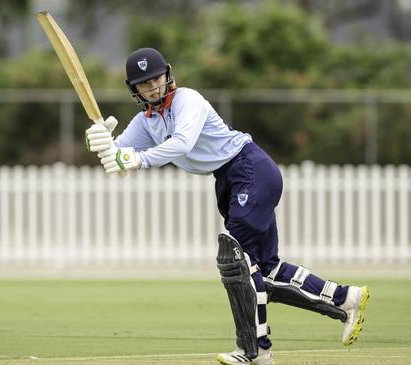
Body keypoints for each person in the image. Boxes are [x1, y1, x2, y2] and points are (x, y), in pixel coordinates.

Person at [85, 48, 369, 365]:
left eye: (155, 78)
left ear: (166, 75)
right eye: (143, 83)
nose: (152, 87)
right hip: (229, 179)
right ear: (134, 89)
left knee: (235, 258)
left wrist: (137, 159)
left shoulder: (187, 100)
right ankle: (345, 298)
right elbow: (117, 158)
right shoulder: (146, 122)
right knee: (264, 270)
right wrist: (101, 142)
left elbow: (181, 143)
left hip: (250, 168)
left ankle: (255, 350)